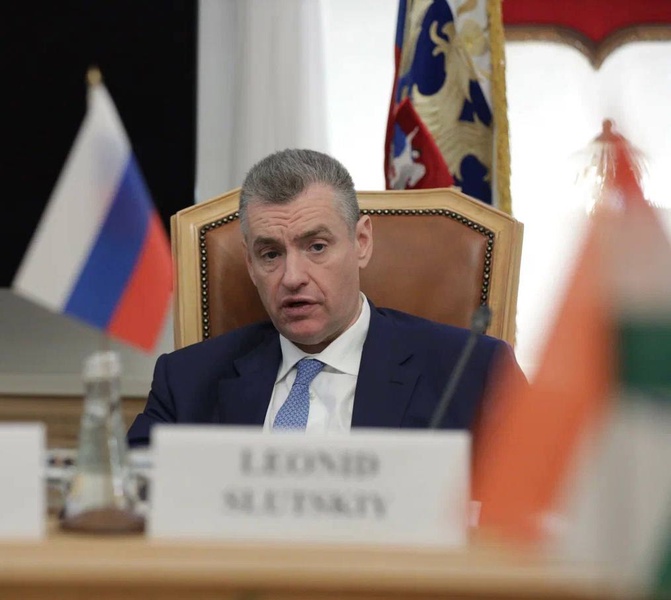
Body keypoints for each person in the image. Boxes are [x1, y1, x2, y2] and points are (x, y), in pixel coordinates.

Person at [127, 149, 526, 447]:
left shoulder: (473, 373)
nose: (292, 278)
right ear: (250, 263)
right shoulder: (186, 380)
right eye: (270, 254)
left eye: (316, 247)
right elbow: (133, 502)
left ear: (361, 242)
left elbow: (532, 511)